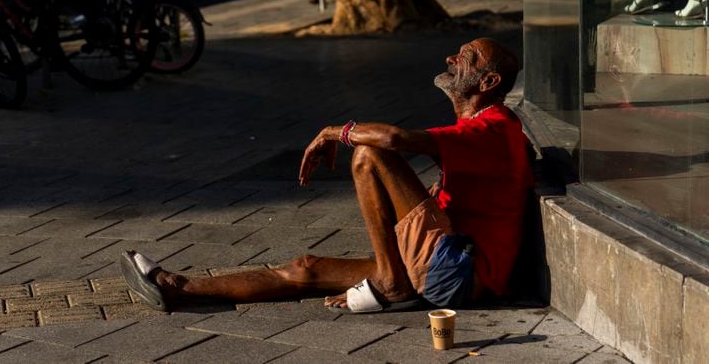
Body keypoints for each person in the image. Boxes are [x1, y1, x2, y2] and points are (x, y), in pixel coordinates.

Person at [121, 38, 534, 313]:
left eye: (468, 58)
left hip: (459, 274)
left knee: (369, 155)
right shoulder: (484, 127)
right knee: (306, 268)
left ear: (489, 81)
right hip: (441, 260)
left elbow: (394, 139)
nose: (452, 58)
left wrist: (336, 132)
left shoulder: (494, 125)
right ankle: (177, 289)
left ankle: (392, 282)